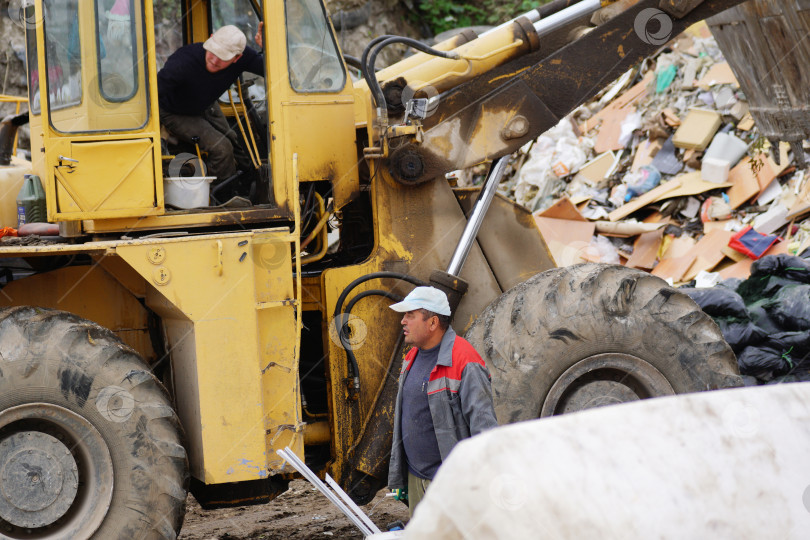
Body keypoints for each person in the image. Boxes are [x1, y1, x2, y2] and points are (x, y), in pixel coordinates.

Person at [388, 286, 499, 517]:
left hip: (450, 486)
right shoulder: (411, 357)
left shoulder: (465, 361)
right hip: (417, 479)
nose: (402, 321)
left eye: (410, 315)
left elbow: (484, 430)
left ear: (432, 322)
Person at [157, 24, 263, 182]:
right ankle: (218, 196)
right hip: (173, 111)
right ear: (211, 39)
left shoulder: (245, 57)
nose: (213, 60)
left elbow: (272, 69)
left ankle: (248, 183)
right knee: (222, 149)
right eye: (213, 51)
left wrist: (266, 48)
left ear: (237, 58)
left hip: (204, 104)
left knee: (234, 141)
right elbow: (153, 95)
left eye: (222, 57)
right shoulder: (182, 62)